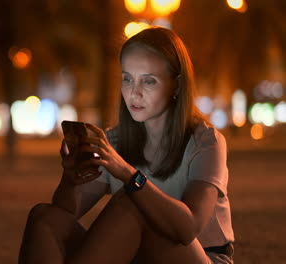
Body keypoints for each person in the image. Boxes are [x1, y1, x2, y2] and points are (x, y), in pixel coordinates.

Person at [18, 27, 235, 264]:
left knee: (133, 202)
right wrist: (70, 180)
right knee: (44, 217)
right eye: (127, 79)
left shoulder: (205, 141)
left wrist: (129, 175)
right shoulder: (115, 142)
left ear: (176, 84)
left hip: (201, 257)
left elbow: (188, 227)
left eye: (149, 81)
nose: (135, 92)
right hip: (134, 257)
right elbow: (68, 212)